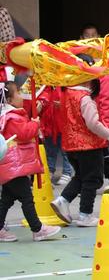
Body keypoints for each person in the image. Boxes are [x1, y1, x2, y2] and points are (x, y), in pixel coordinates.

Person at [51, 54, 109, 227]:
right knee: (94, 179)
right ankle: (85, 215)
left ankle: (63, 200)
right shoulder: (85, 99)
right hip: (89, 146)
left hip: (71, 146)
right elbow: (93, 123)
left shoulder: (67, 93)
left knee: (82, 177)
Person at [0, 82, 61, 242]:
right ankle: (38, 229)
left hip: (11, 166)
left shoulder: (9, 115)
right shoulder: (11, 117)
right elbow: (25, 133)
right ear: (10, 100)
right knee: (26, 197)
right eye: (18, 93)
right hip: (14, 166)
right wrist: (35, 123)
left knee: (7, 199)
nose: (21, 95)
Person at [81, 24, 109, 194]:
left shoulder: (103, 69)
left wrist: (105, 123)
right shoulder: (84, 64)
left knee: (98, 149)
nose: (90, 38)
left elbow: (106, 99)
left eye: (94, 35)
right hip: (91, 117)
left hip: (97, 118)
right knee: (98, 150)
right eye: (87, 35)